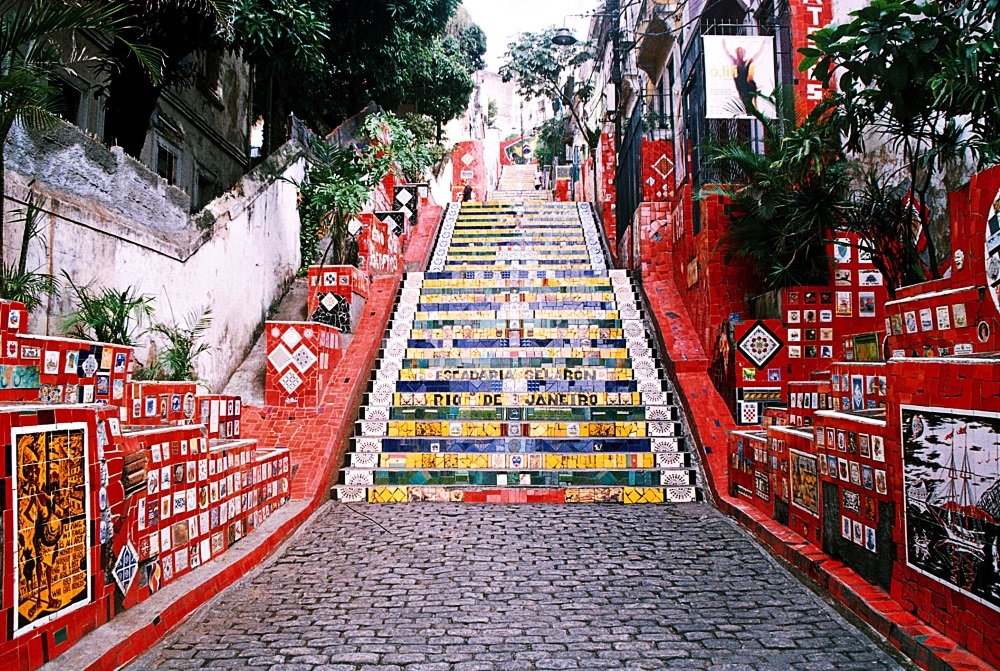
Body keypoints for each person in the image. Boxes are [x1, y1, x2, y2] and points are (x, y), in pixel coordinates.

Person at [721, 38, 767, 113]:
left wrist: (763, 44)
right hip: (740, 86)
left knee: (748, 101)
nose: (740, 54)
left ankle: (752, 110)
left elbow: (757, 54)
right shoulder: (734, 61)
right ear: (736, 54)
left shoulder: (747, 62)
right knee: (745, 102)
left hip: (746, 86)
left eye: (741, 52)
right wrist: (724, 46)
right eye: (738, 52)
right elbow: (728, 54)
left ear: (743, 54)